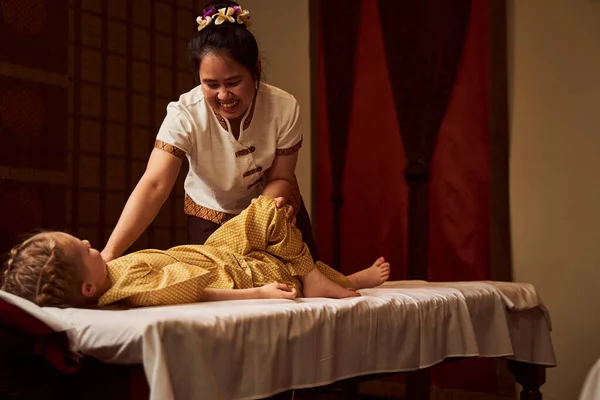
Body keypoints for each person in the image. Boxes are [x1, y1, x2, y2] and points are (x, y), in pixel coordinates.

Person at [101, 1, 319, 263]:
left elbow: (281, 177)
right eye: (211, 85)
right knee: (221, 287)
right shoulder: (185, 114)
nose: (224, 95)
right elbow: (155, 184)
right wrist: (110, 253)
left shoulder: (284, 107)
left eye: (234, 82)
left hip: (272, 205)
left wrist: (259, 221)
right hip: (212, 213)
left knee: (301, 285)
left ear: (256, 71)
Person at [1, 196, 391, 309]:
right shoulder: (127, 290)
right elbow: (195, 292)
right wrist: (257, 294)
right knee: (276, 263)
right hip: (229, 273)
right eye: (84, 250)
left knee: (268, 211)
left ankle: (317, 277)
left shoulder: (108, 273)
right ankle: (343, 280)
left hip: (211, 251)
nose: (91, 245)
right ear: (88, 289)